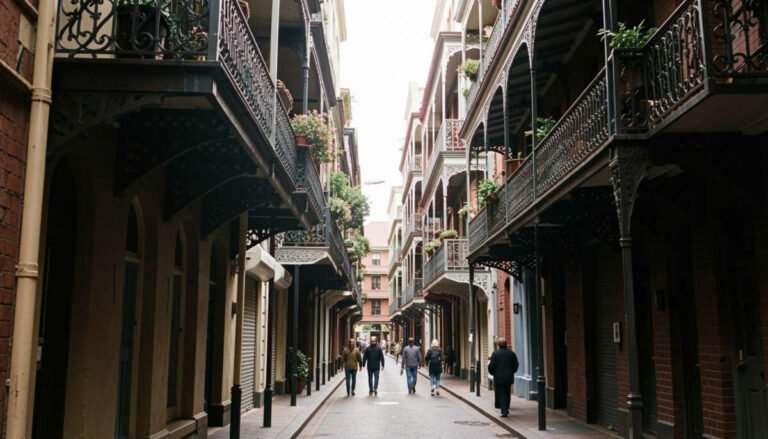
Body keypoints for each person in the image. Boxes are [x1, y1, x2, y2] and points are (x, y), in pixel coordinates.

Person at [487, 338, 519, 417]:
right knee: (507, 392)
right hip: (508, 377)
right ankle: (506, 408)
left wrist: (493, 373)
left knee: (501, 393)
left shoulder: (495, 354)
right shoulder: (511, 353)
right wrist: (512, 372)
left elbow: (491, 366)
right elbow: (516, 364)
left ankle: (503, 410)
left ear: (498, 345)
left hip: (498, 377)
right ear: (506, 344)